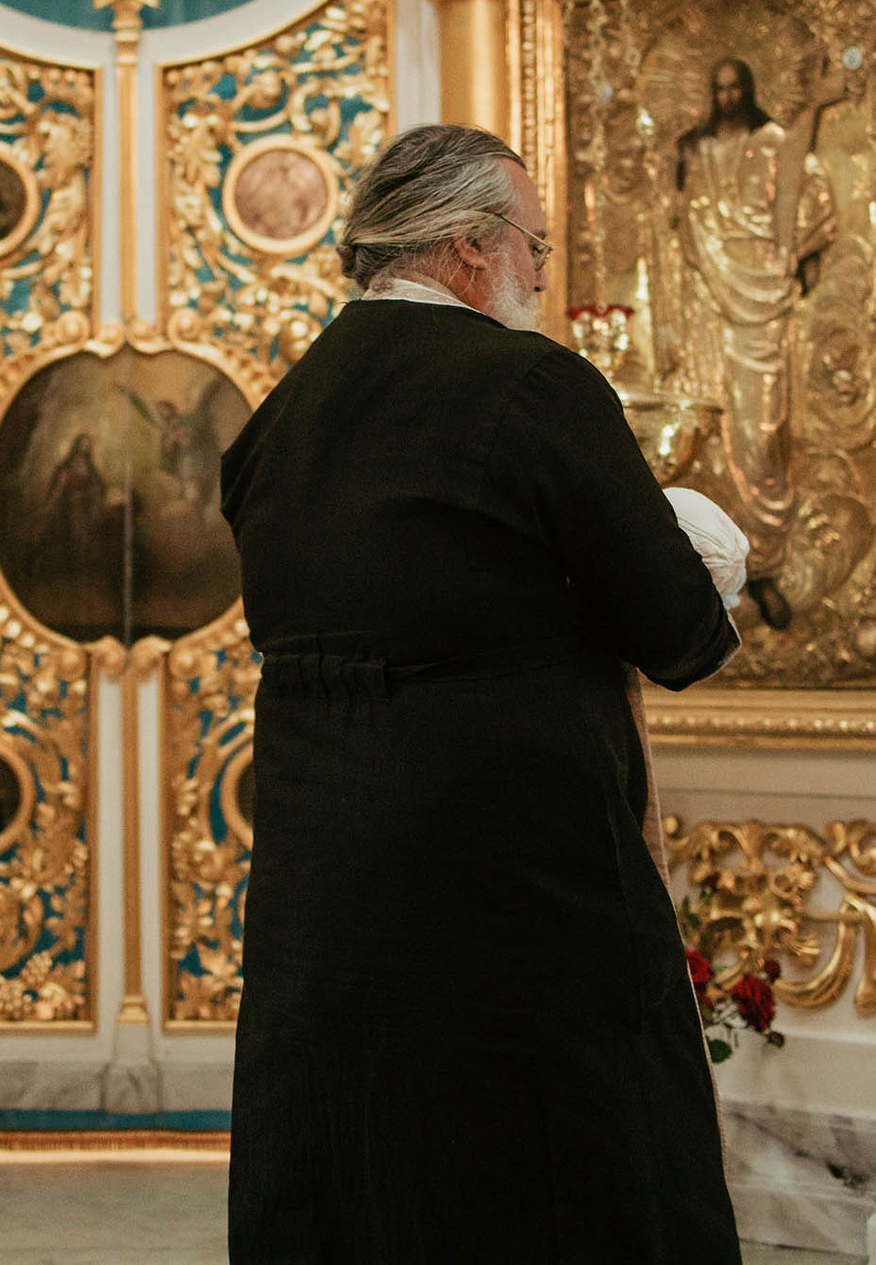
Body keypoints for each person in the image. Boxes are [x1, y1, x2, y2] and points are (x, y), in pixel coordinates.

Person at [219, 123, 746, 1262]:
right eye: (535, 245)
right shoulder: (533, 387)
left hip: (329, 918)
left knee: (360, 1187)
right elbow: (679, 633)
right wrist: (703, 540)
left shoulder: (278, 418)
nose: (544, 274)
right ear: (468, 247)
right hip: (515, 912)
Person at [672, 54, 839, 630]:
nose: (726, 97)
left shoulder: (772, 141)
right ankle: (717, 571)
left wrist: (806, 256)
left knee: (762, 431)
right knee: (710, 433)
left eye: (734, 87)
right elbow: (677, 217)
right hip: (708, 303)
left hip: (761, 295)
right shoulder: (695, 150)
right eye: (716, 89)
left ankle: (764, 563)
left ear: (747, 90)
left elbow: (808, 187)